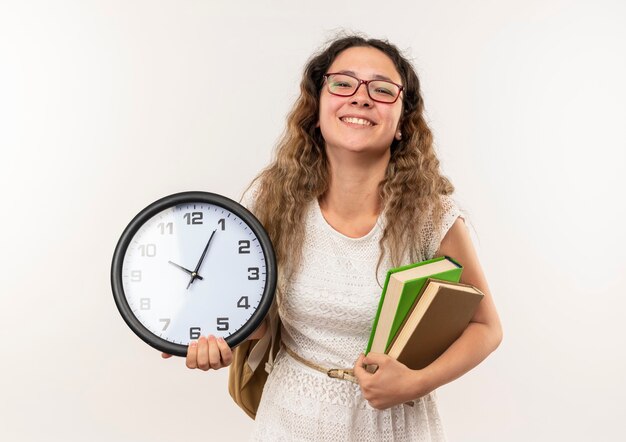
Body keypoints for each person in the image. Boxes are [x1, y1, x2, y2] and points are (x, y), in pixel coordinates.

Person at [164, 34, 503, 441]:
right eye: (343, 83)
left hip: (393, 427)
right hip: (291, 419)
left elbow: (486, 326)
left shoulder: (431, 216)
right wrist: (209, 334)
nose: (361, 98)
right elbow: (255, 316)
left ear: (402, 124)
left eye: (381, 89)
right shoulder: (271, 200)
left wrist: (416, 383)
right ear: (317, 109)